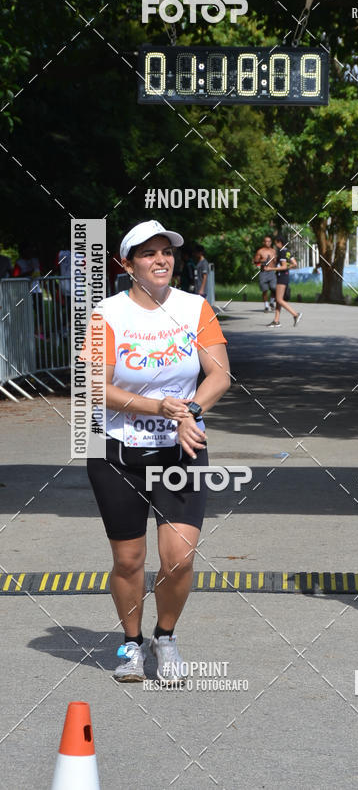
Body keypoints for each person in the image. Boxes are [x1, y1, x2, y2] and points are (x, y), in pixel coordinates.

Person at [86, 220, 230, 683]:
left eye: (167, 251)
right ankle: (131, 644)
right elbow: (93, 387)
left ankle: (164, 636)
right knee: (129, 560)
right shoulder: (105, 314)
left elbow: (219, 375)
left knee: (180, 558)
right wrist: (157, 406)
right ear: (128, 265)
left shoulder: (195, 308)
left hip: (181, 450)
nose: (161, 259)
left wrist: (187, 411)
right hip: (118, 450)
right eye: (148, 253)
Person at [268, 235, 302, 328]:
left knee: (279, 299)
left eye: (276, 243)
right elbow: (294, 264)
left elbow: (283, 266)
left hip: (281, 277)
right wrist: (287, 267)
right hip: (285, 277)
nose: (275, 245)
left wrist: (270, 269)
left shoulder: (282, 252)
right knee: (278, 300)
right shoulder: (287, 251)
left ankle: (295, 314)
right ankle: (276, 321)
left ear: (279, 242)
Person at [253, 235, 277, 312]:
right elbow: (255, 261)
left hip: (272, 272)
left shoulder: (273, 251)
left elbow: (276, 261)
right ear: (263, 242)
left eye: (269, 241)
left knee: (274, 288)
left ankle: (272, 302)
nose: (268, 243)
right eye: (266, 241)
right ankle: (266, 306)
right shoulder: (260, 251)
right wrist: (262, 261)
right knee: (265, 290)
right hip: (263, 272)